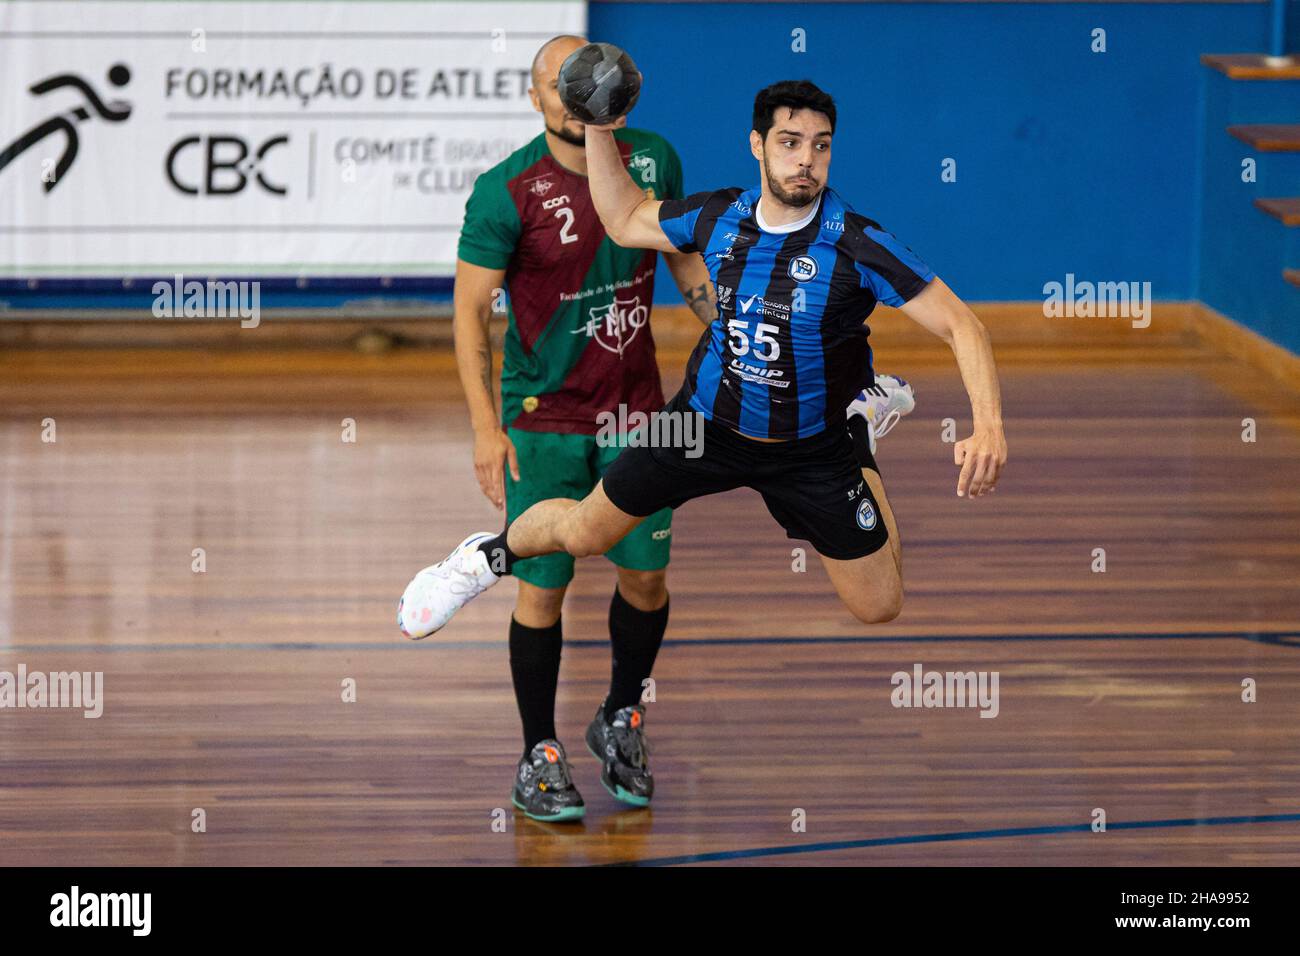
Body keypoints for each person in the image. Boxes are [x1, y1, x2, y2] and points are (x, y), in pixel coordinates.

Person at [400, 78, 952, 819]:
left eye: (818, 145)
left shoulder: (827, 230)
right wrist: (482, 425)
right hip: (645, 420)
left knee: (842, 602)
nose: (806, 159)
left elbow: (959, 325)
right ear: (759, 146)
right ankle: (485, 564)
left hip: (731, 429)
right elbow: (624, 221)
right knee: (573, 548)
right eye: (790, 142)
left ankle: (854, 427)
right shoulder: (544, 193)